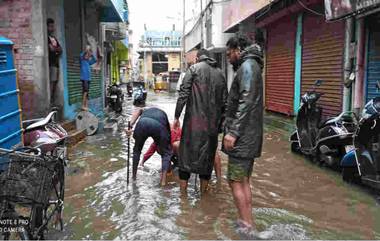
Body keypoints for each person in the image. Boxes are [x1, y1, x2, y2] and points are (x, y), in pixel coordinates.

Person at [222, 33, 264, 232]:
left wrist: (233, 133)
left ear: (238, 50)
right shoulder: (252, 66)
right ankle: (247, 221)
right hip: (250, 138)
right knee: (243, 180)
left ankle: (246, 225)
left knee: (235, 180)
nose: (229, 58)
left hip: (242, 139)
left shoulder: (247, 67)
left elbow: (246, 101)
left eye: (230, 54)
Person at [174, 48, 228, 194]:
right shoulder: (221, 74)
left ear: (198, 59)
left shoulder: (193, 69)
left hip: (193, 124)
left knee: (185, 162)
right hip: (211, 128)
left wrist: (176, 117)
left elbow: (183, 94)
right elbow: (225, 104)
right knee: (207, 161)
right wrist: (221, 127)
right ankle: (204, 196)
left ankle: (183, 199)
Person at [126, 107, 172, 186]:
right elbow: (167, 139)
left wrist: (130, 125)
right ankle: (163, 182)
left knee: (137, 150)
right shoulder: (164, 119)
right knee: (166, 154)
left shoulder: (145, 110)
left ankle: (133, 177)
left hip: (142, 123)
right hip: (159, 126)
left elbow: (138, 110)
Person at [47, 18, 62, 106]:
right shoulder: (47, 38)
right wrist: (56, 50)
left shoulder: (53, 38)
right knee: (52, 82)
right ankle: (50, 100)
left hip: (56, 63)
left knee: (55, 81)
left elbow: (60, 49)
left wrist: (56, 50)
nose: (52, 28)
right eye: (51, 26)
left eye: (53, 26)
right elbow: (51, 49)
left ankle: (52, 99)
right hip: (51, 63)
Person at [80, 45, 97, 110]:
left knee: (87, 93)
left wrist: (91, 54)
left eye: (88, 55)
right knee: (85, 91)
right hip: (84, 78)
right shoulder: (82, 60)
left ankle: (86, 106)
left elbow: (95, 60)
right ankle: (83, 106)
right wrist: (87, 50)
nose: (88, 56)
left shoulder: (88, 62)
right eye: (87, 55)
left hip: (88, 79)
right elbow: (82, 54)